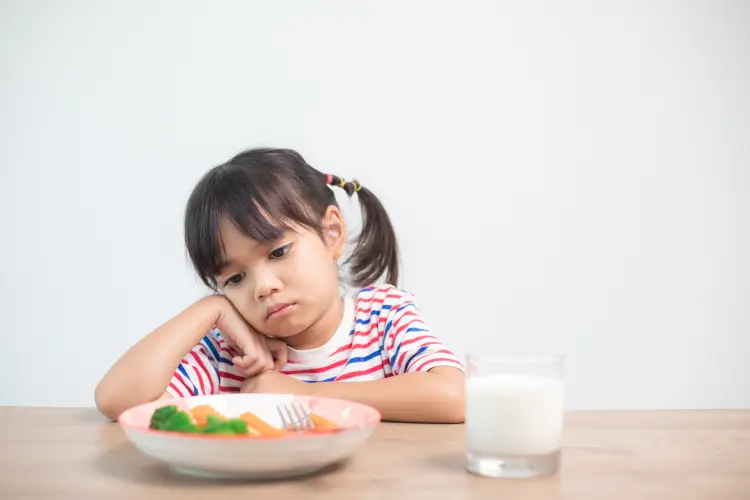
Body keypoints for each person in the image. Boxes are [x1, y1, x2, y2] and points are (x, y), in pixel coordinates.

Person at [95, 148, 465, 423]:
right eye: (234, 279)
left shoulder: (382, 316)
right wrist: (210, 309)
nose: (263, 287)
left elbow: (456, 396)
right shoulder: (231, 356)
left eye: (278, 252)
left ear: (331, 233)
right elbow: (118, 403)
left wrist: (305, 395)